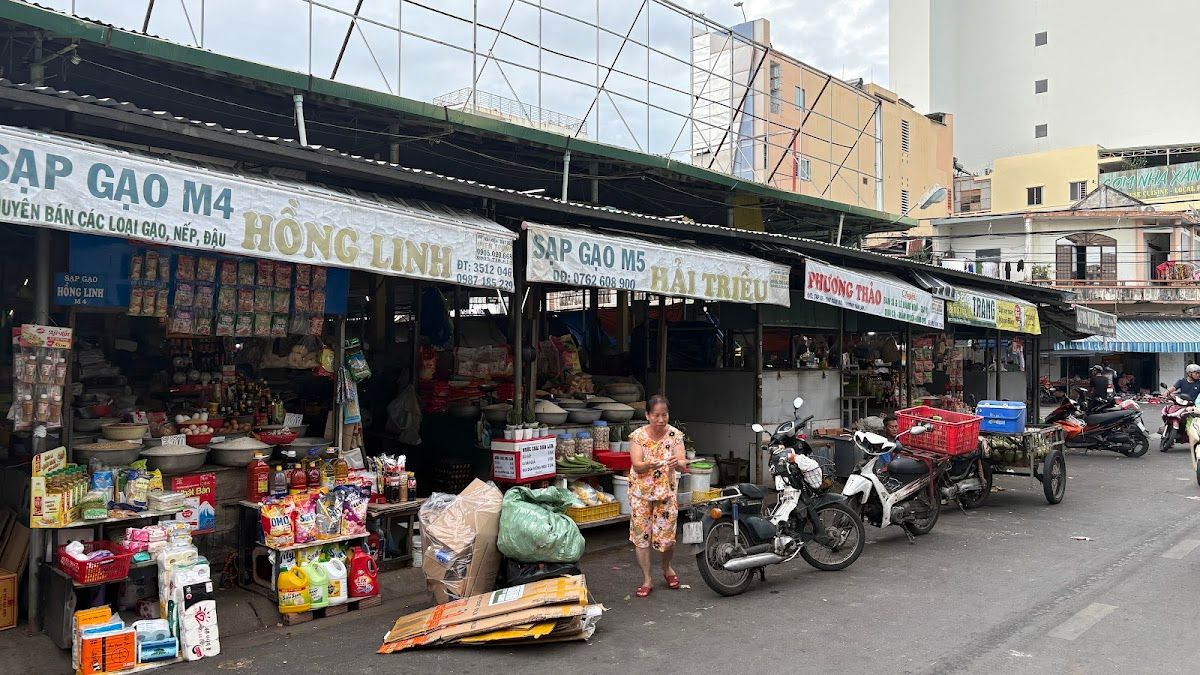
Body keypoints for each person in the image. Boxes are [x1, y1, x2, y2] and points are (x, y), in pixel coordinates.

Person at [627, 394, 688, 598]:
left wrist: (677, 463)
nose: (661, 420)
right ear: (647, 415)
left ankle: (667, 568)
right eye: (656, 415)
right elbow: (636, 464)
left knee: (667, 538)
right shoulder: (638, 436)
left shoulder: (675, 435)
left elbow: (684, 464)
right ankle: (647, 578)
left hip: (666, 493)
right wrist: (650, 464)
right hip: (640, 494)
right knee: (641, 537)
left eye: (664, 415)